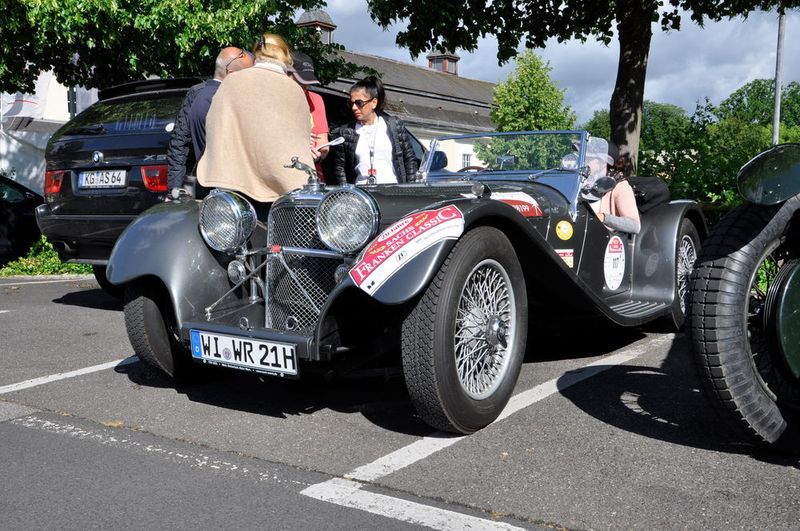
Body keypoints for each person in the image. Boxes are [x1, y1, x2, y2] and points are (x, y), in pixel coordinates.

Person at [196, 33, 314, 209]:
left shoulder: (232, 82)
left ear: (257, 52)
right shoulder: (294, 90)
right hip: (281, 188)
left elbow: (214, 126)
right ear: (285, 55)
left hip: (232, 185)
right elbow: (301, 138)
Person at [166, 47, 254, 196]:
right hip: (231, 193)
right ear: (232, 75)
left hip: (206, 189)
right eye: (249, 75)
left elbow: (179, 144)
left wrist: (174, 189)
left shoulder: (197, 94)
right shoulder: (229, 99)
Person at [332, 75, 417, 185]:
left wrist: (408, 189)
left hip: (393, 191)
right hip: (361, 194)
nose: (354, 107)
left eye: (359, 103)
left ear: (374, 102)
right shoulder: (346, 132)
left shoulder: (393, 125)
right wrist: (347, 193)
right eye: (351, 103)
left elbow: (409, 159)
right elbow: (340, 169)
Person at [584, 139, 641, 234]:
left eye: (590, 158)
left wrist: (603, 217)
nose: (585, 160)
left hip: (602, 240)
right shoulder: (583, 182)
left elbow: (634, 226)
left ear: (602, 162)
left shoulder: (621, 187)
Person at [288, 51, 329, 181]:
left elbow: (324, 143)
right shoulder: (275, 99)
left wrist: (318, 154)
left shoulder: (315, 99)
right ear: (287, 75)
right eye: (300, 81)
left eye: (308, 82)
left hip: (311, 174)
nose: (305, 86)